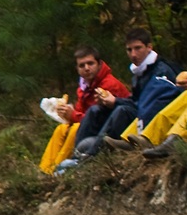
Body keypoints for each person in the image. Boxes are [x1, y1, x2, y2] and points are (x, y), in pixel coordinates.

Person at [65, 29, 179, 164]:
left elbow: (147, 106)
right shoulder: (140, 72)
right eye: (129, 50)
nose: (133, 54)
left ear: (149, 47)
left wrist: (115, 101)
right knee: (94, 111)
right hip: (137, 116)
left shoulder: (160, 71)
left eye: (138, 48)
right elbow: (137, 101)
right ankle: (75, 158)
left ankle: (90, 157)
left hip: (151, 120)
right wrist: (112, 102)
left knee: (122, 110)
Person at [39, 46, 131, 174]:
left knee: (74, 130)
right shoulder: (84, 86)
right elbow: (81, 111)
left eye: (90, 63)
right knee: (62, 129)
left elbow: (98, 116)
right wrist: (67, 113)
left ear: (99, 64)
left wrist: (73, 116)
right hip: (92, 125)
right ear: (77, 69)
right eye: (82, 65)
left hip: (110, 128)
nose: (87, 68)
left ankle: (62, 167)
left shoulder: (108, 85)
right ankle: (46, 168)